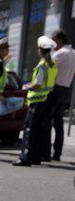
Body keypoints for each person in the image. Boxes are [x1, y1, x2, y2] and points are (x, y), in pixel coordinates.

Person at [13, 36, 58, 167]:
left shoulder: (42, 65)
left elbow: (37, 84)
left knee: (29, 129)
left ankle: (25, 157)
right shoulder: (54, 65)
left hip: (37, 101)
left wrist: (26, 87)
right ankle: (36, 157)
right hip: (47, 100)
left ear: (40, 50)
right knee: (40, 130)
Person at [46, 29, 75, 161]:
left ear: (59, 40)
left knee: (47, 120)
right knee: (58, 122)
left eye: (53, 41)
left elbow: (47, 65)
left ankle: (46, 151)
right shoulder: (73, 53)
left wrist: (50, 52)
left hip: (55, 88)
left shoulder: (61, 53)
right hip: (66, 88)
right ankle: (57, 153)